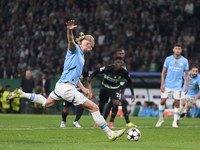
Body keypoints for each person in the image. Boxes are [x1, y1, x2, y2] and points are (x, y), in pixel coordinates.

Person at [6, 20, 125, 141]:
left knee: (47, 103)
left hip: (60, 85)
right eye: (92, 46)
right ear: (88, 43)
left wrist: (83, 88)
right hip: (67, 89)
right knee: (94, 108)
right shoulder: (75, 50)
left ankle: (21, 94)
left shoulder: (82, 57)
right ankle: (111, 134)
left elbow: (75, 76)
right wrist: (69, 30)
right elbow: (70, 41)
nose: (92, 49)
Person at [88, 56, 135, 128]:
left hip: (115, 89)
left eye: (121, 63)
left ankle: (111, 122)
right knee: (101, 105)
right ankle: (99, 122)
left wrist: (132, 94)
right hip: (105, 88)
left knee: (115, 103)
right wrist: (90, 77)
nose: (120, 64)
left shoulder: (124, 72)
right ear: (114, 63)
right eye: (118, 62)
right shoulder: (108, 68)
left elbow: (130, 81)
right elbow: (97, 71)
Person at [155, 43, 189, 128]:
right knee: (162, 101)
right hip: (167, 84)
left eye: (179, 49)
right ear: (173, 49)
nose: (177, 50)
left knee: (177, 103)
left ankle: (174, 121)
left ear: (181, 50)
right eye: (176, 48)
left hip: (177, 86)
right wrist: (162, 84)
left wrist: (187, 86)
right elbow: (163, 72)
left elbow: (187, 74)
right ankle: (160, 119)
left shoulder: (184, 61)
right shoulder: (168, 59)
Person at [103, 49, 137, 128]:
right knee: (120, 101)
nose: (121, 54)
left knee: (113, 102)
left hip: (120, 87)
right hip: (114, 86)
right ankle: (125, 121)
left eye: (123, 53)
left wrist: (124, 87)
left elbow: (125, 78)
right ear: (116, 54)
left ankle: (106, 121)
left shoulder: (123, 64)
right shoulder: (115, 65)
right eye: (119, 53)